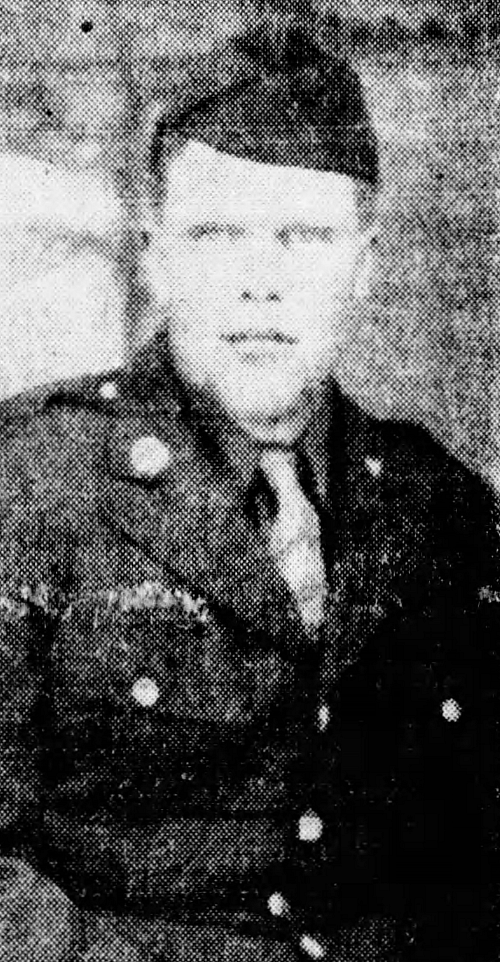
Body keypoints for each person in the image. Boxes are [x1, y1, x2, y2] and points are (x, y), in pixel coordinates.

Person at [0, 23, 498, 962]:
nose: (260, 285)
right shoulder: (32, 485)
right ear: (156, 256)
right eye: (217, 235)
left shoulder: (443, 512)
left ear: (365, 263)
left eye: (303, 238)